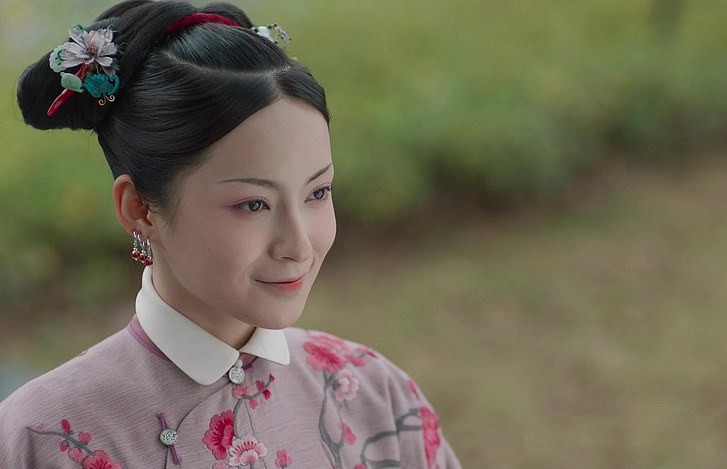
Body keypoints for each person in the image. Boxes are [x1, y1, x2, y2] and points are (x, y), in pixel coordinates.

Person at [0, 1, 461, 468]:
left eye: (318, 192)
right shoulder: (42, 439)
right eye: (254, 204)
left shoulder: (373, 395)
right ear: (140, 209)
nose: (299, 245)